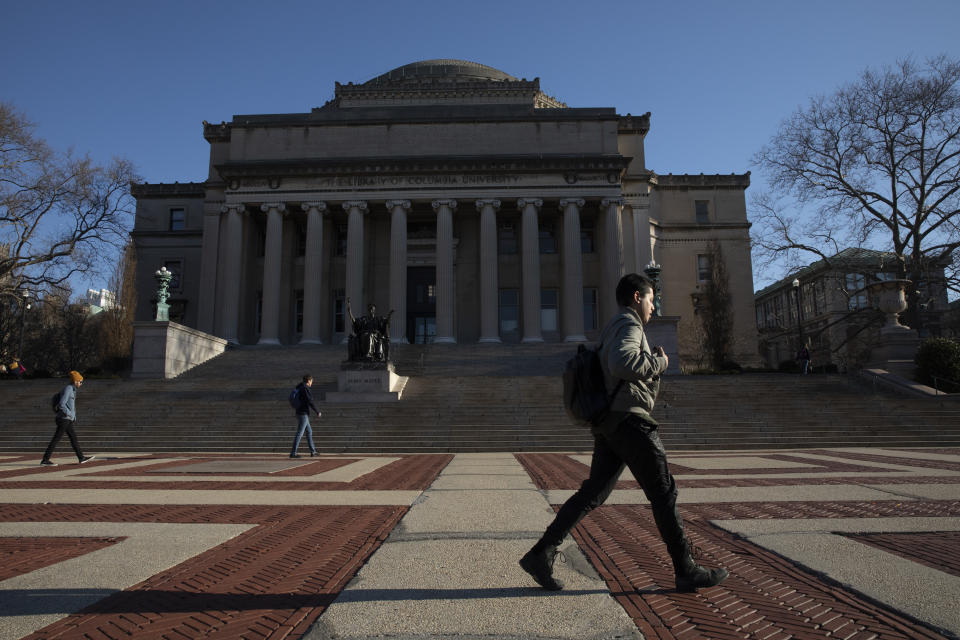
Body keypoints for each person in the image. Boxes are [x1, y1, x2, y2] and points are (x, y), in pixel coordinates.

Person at [520, 273, 728, 593]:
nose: (653, 306)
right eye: (650, 299)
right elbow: (622, 363)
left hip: (611, 425)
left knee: (592, 493)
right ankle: (685, 569)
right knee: (664, 493)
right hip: (630, 422)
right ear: (636, 297)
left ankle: (541, 553)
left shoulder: (614, 326)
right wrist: (658, 361)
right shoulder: (629, 325)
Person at [41, 371, 94, 466]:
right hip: (64, 418)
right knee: (56, 439)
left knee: (73, 438)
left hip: (67, 419)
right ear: (76, 381)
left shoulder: (72, 389)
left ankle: (81, 457)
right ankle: (45, 460)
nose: (81, 384)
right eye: (80, 382)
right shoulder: (68, 389)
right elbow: (62, 404)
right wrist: (69, 414)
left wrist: (73, 417)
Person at [290, 374, 321, 458]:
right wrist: (317, 411)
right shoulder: (305, 388)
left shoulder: (299, 387)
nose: (312, 383)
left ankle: (313, 451)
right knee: (300, 433)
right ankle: (293, 453)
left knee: (309, 431)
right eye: (311, 381)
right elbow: (310, 401)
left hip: (300, 412)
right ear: (309, 381)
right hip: (303, 413)